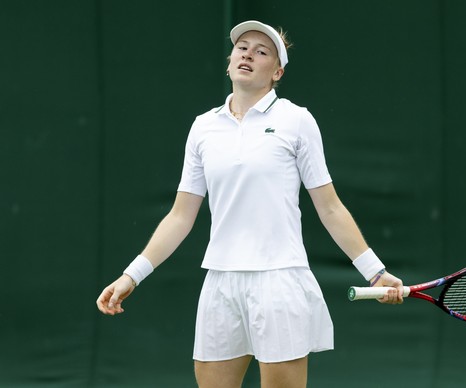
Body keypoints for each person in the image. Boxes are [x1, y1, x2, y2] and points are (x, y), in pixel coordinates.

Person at [96, 20, 404, 388]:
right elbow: (180, 216)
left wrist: (375, 271)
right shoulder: (203, 128)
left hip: (280, 280)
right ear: (229, 62)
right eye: (242, 47)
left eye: (262, 51)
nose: (248, 54)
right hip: (220, 283)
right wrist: (132, 274)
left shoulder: (296, 120)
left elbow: (330, 208)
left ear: (277, 72)